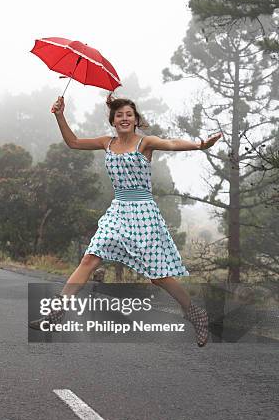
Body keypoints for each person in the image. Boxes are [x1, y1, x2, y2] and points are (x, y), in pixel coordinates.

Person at [29, 94, 222, 347]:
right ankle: (56, 312)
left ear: (135, 119)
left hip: (143, 213)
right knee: (90, 257)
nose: (124, 118)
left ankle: (194, 312)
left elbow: (172, 143)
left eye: (128, 114)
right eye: (119, 115)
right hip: (118, 210)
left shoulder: (145, 143)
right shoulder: (106, 143)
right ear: (113, 120)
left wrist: (199, 145)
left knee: (157, 275)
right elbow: (74, 142)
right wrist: (59, 115)